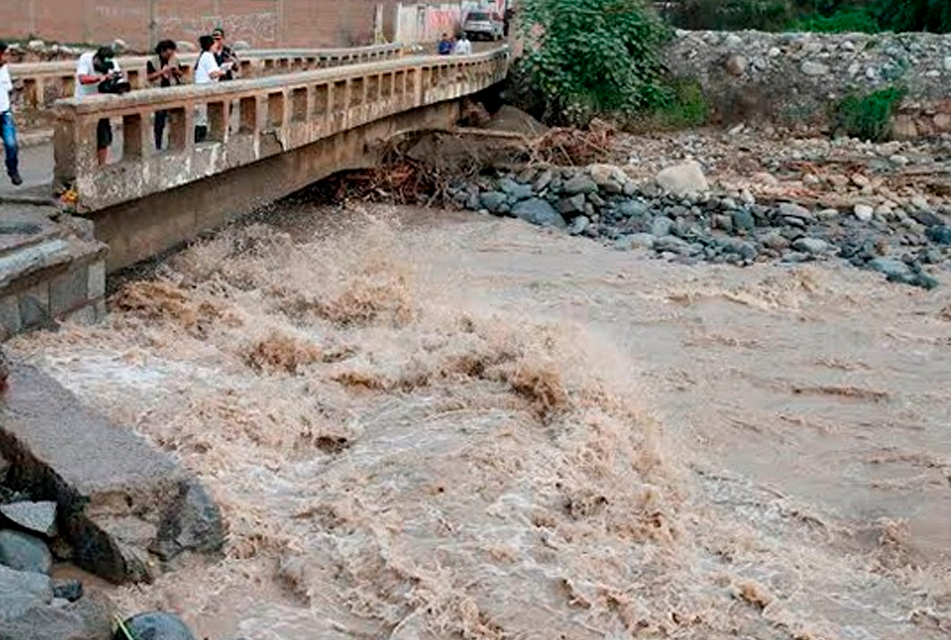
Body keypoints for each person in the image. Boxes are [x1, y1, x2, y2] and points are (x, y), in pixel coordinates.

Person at [75, 46, 121, 165]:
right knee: (85, 137)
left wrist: (116, 81)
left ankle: (101, 165)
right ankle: (85, 164)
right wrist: (100, 78)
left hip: (101, 103)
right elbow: (82, 78)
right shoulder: (86, 58)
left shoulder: (112, 62)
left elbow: (118, 79)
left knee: (103, 137)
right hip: (84, 101)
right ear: (97, 59)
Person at [146, 39, 182, 150]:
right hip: (159, 92)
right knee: (159, 120)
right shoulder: (152, 61)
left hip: (172, 91)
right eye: (168, 53)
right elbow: (149, 77)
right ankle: (158, 144)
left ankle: (175, 142)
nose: (170, 56)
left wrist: (175, 71)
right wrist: (162, 72)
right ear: (162, 51)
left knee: (175, 119)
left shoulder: (175, 60)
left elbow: (181, 74)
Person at [194, 35, 227, 143]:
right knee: (202, 118)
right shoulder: (208, 56)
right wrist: (222, 72)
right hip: (204, 89)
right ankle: (199, 140)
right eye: (215, 43)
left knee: (202, 117)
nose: (217, 45)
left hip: (204, 89)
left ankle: (200, 139)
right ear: (210, 45)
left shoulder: (206, 55)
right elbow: (212, 74)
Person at [0, 41, 22, 186]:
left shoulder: (4, 69)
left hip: (4, 114)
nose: (6, 57)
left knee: (11, 144)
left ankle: (12, 169)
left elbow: (8, 88)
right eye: (4, 54)